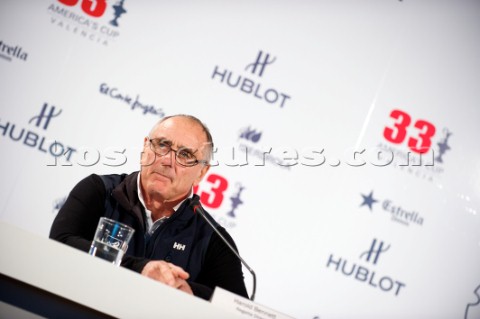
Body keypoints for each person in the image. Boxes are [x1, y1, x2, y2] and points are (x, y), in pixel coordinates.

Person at [50, 114, 248, 300]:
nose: (167, 160)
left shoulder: (212, 238)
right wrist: (140, 268)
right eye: (162, 145)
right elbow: (59, 244)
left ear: (201, 172)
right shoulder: (99, 191)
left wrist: (189, 291)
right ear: (145, 147)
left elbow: (237, 308)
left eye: (185, 154)